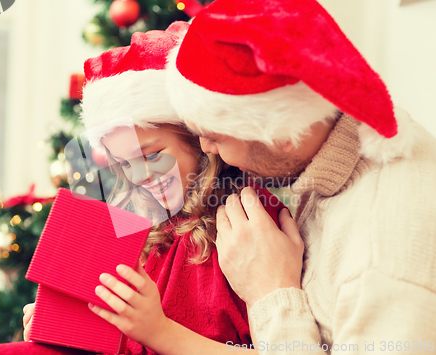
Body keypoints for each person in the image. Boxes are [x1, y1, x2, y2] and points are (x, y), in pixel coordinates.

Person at [0, 22, 286, 355]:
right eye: (124, 163)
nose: (139, 175)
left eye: (152, 154)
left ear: (196, 140)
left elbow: (284, 346)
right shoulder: (137, 230)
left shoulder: (249, 220)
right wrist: (61, 329)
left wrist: (158, 331)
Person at [166, 0, 436, 353]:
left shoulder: (380, 261)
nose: (207, 149)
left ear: (278, 132)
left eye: (215, 136)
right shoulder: (338, 147)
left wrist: (270, 292)